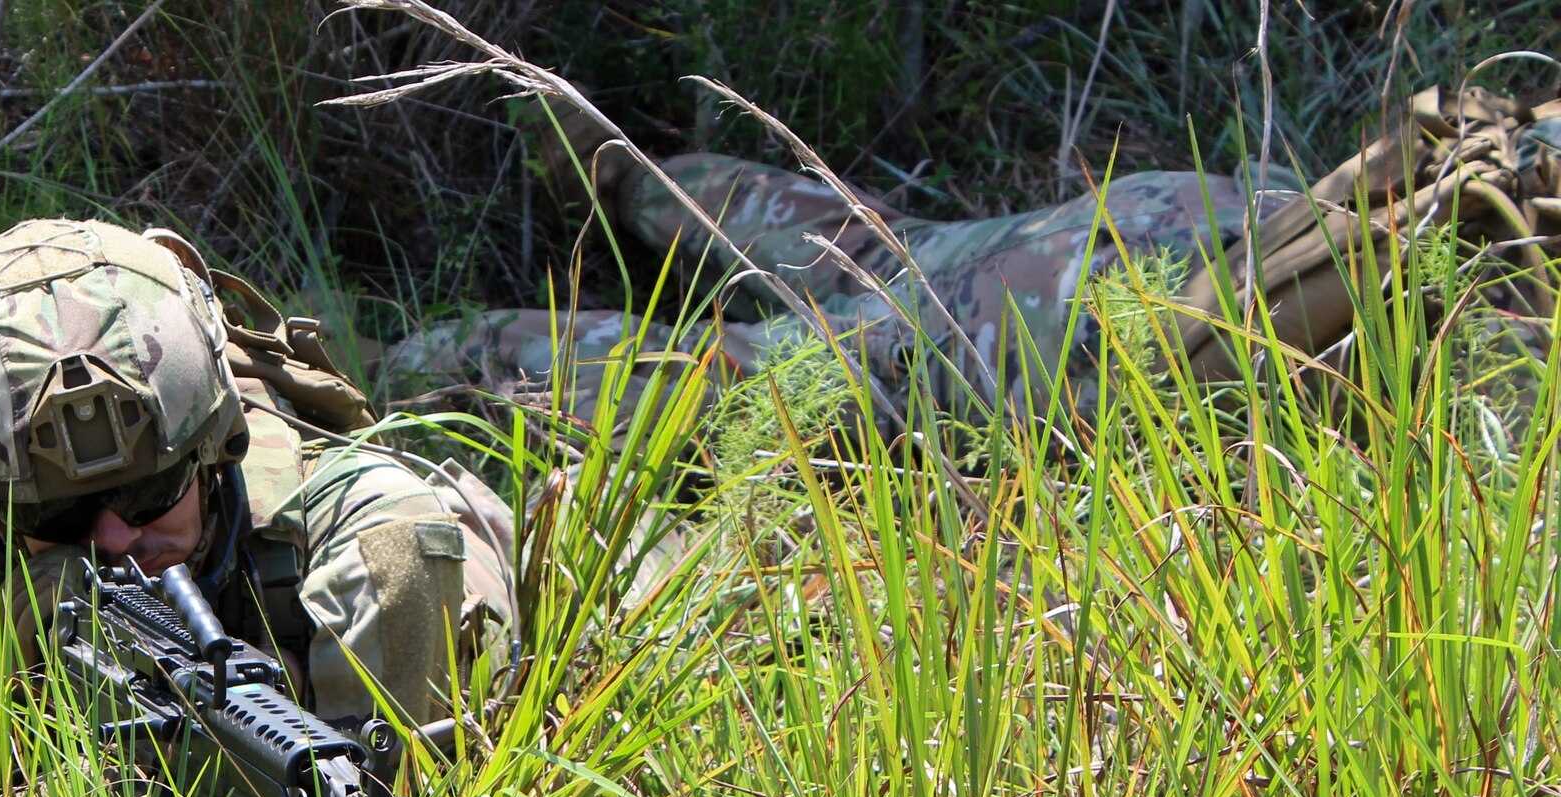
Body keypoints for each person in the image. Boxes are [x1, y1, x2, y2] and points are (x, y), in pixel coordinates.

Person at [386, 85, 1561, 424]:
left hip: (1078, 283)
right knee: (805, 297)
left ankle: (417, 342)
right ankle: (581, 185)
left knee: (782, 306)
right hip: (1060, 293)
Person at [0, 217, 514, 728]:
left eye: (146, 494)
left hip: (465, 571)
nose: (118, 538)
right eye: (60, 516)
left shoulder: (370, 544)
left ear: (215, 451)